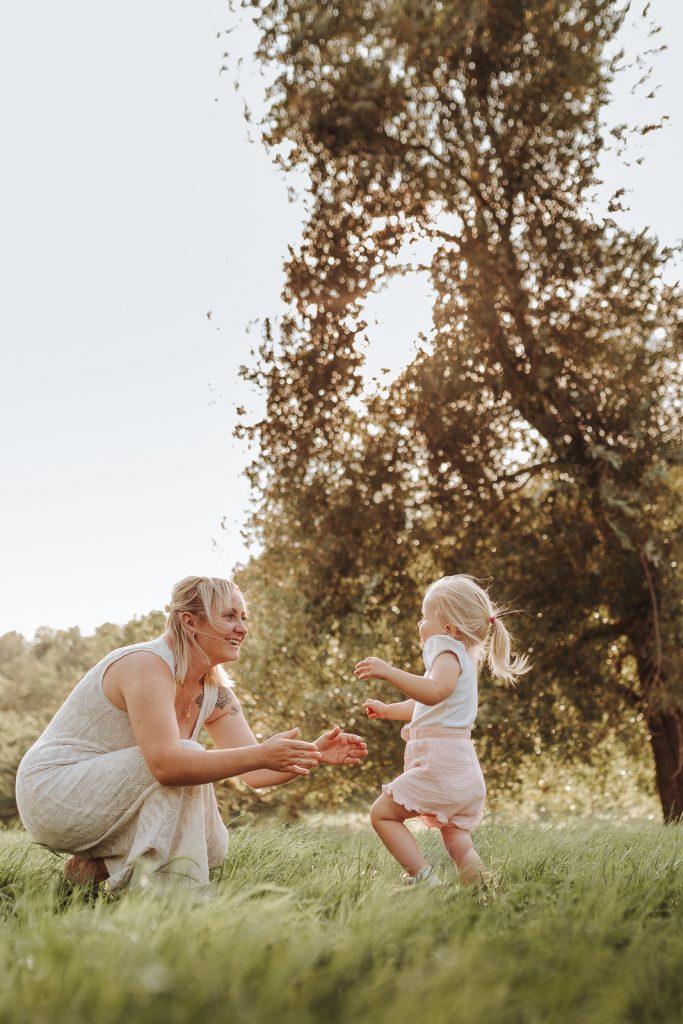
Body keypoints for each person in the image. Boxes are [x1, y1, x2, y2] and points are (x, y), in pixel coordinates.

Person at [16, 575, 367, 890]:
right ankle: (177, 898)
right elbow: (167, 766)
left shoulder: (215, 692)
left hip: (107, 795)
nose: (242, 628)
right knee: (186, 759)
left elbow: (257, 774)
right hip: (52, 792)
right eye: (229, 616)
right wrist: (261, 753)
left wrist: (312, 753)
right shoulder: (147, 664)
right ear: (190, 621)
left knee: (209, 836)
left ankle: (89, 874)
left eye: (243, 618)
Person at [355, 574, 529, 887]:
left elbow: (434, 692)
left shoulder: (446, 653)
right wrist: (389, 710)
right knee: (460, 845)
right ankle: (482, 894)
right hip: (460, 771)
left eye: (425, 617)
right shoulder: (459, 660)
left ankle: (423, 880)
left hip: (441, 766)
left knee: (382, 814)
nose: (419, 624)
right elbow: (427, 703)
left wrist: (389, 672)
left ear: (448, 629)